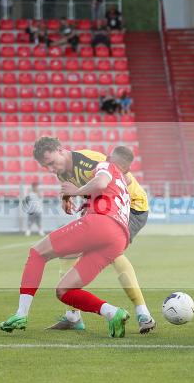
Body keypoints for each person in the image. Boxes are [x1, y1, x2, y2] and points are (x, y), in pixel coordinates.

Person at [0, 155, 134, 338]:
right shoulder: (122, 184)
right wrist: (83, 199)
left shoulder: (105, 165)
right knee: (65, 291)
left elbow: (101, 183)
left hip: (102, 224)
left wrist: (76, 191)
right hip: (119, 239)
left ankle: (21, 314)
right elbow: (104, 193)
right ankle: (113, 313)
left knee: (37, 253)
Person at [29, 138, 156, 333]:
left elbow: (124, 178)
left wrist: (82, 194)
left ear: (61, 151)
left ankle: (143, 313)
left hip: (132, 206)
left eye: (51, 163)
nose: (51, 169)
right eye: (46, 166)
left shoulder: (90, 160)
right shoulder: (62, 171)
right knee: (68, 253)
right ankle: (72, 316)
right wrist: (67, 198)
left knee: (113, 253)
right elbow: (73, 188)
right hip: (105, 208)